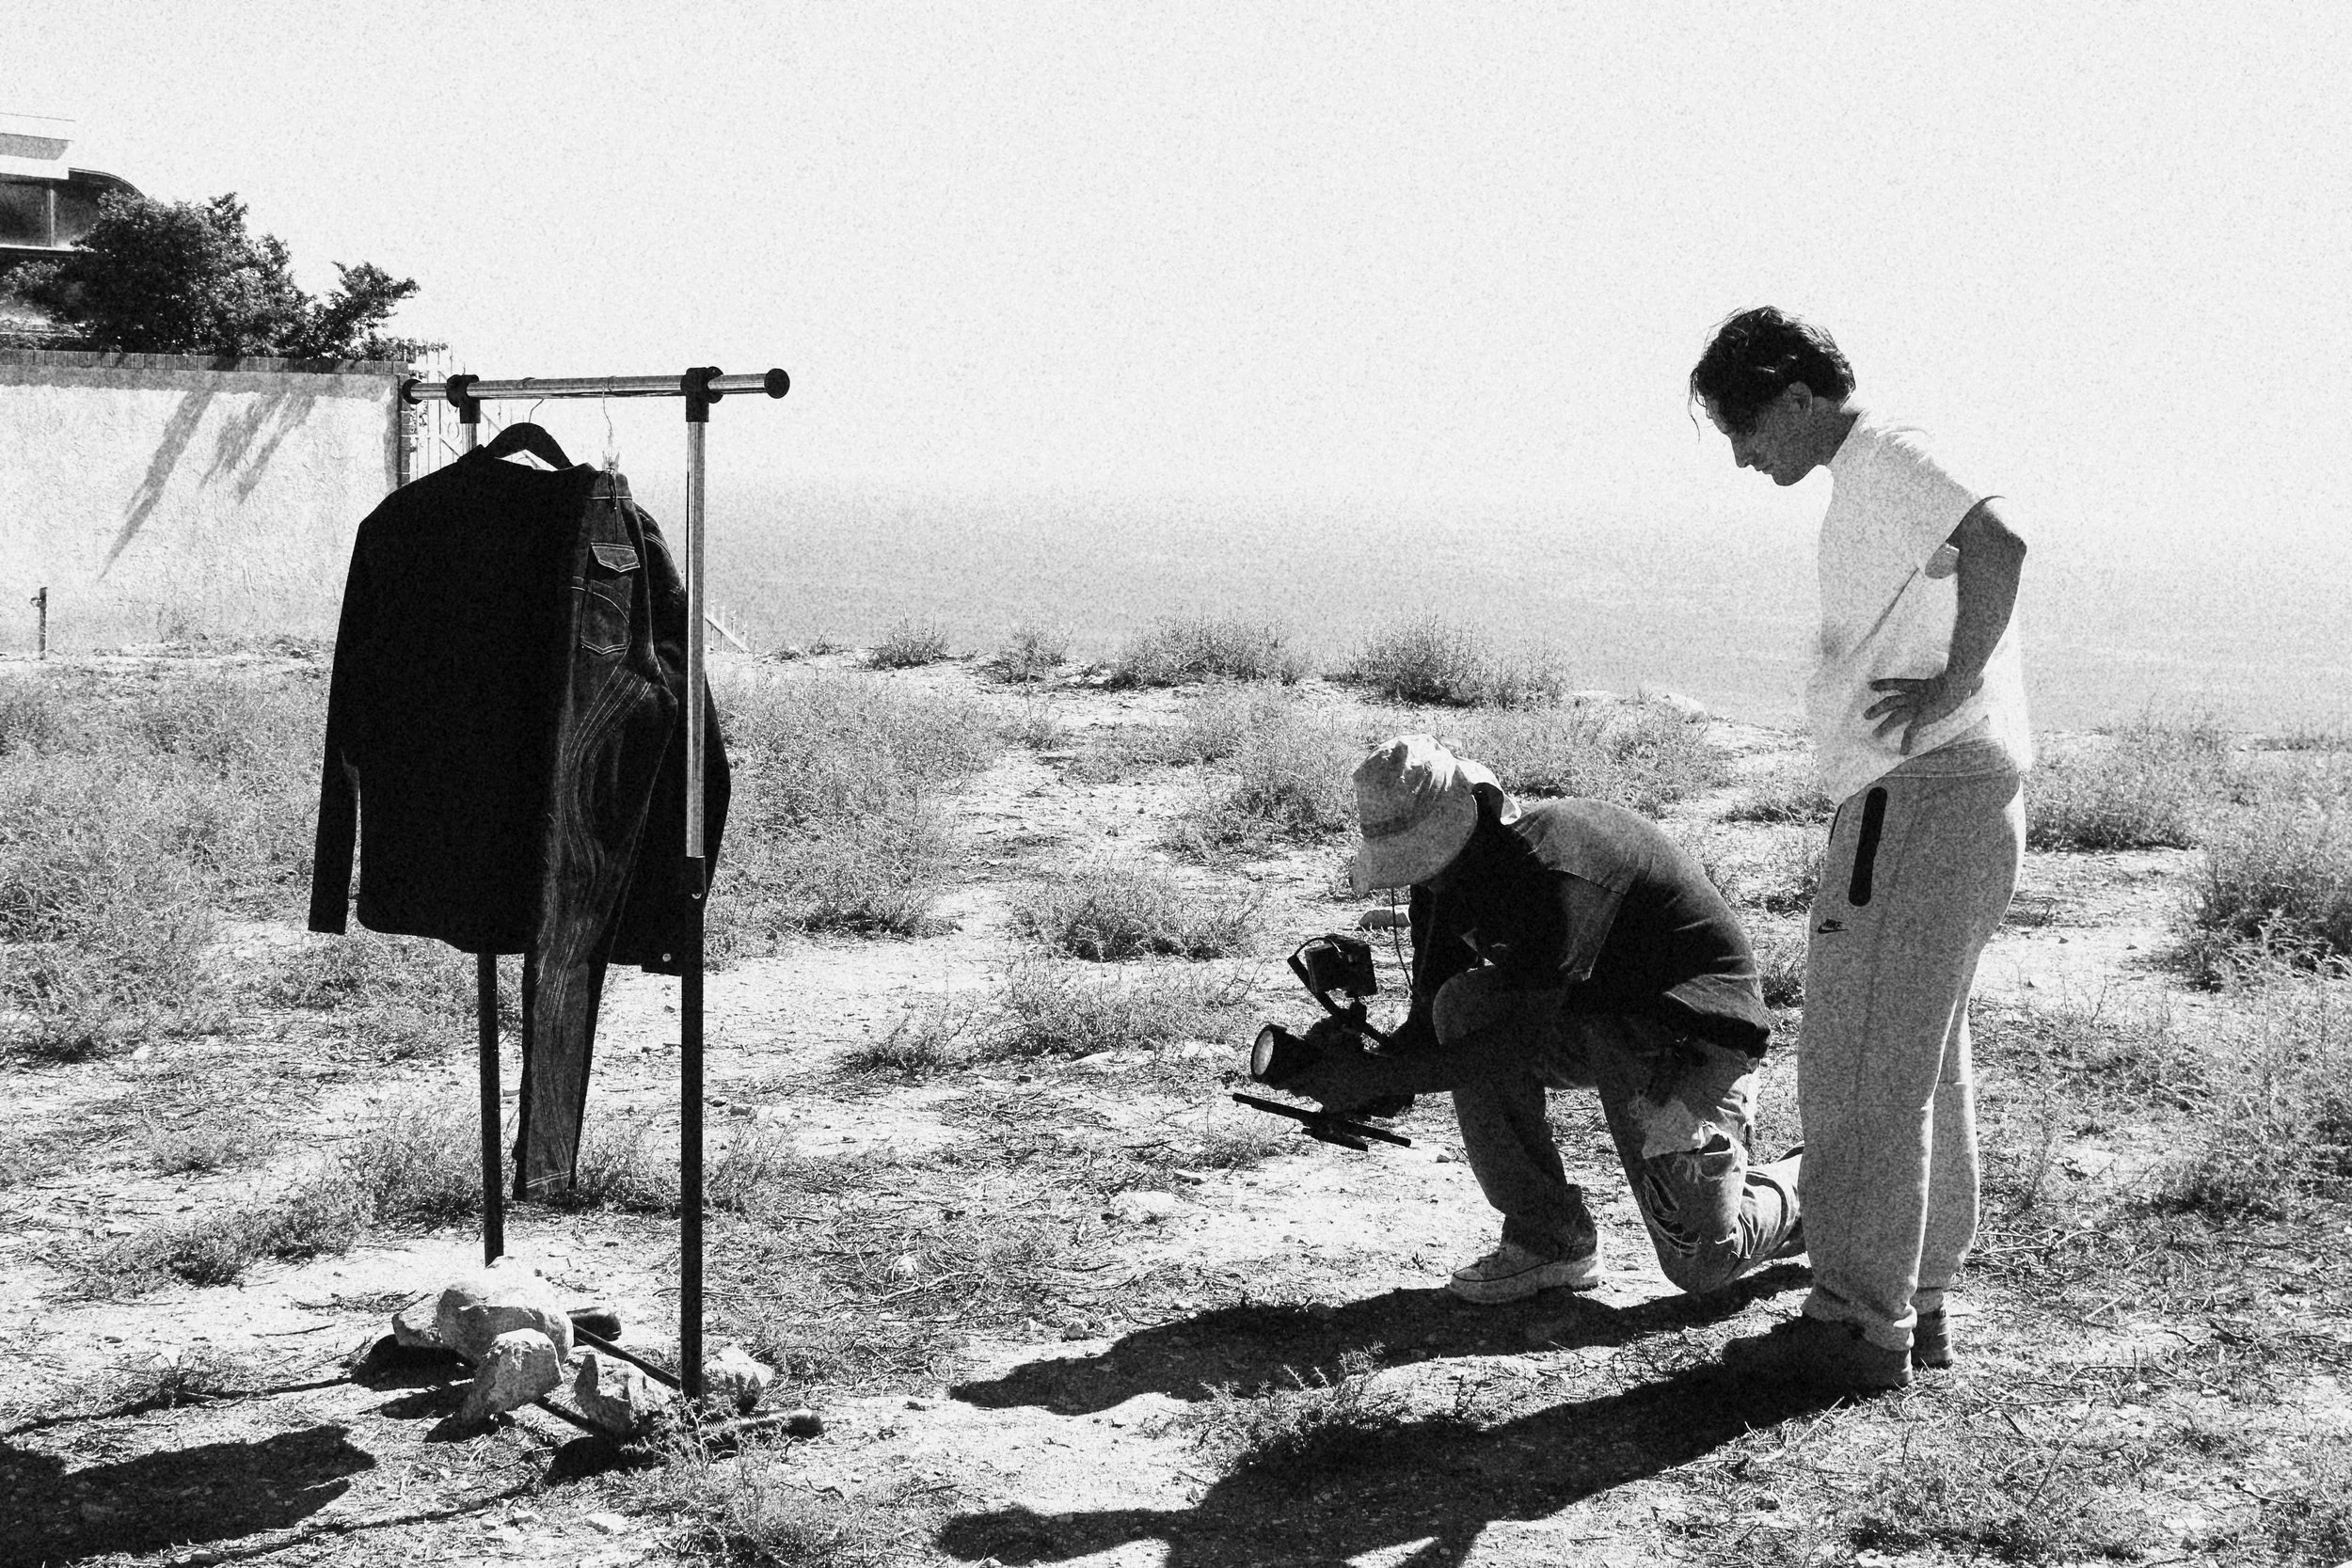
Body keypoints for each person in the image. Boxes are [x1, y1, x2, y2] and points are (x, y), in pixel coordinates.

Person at [1689, 307, 2030, 1392]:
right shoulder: (1875, 470)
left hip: (1918, 797)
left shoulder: (1885, 454)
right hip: (1956, 797)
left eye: (1747, 428)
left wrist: (1955, 679)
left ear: (1796, 393)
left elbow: (2001, 538)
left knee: (1856, 1064)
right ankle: (1914, 1305)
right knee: (1919, 1059)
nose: (1744, 456)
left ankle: (1853, 1319)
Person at [1275, 734, 1804, 1306]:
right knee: (1464, 1007)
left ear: (1474, 815)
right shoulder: (1446, 878)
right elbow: (1434, 1030)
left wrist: (1377, 1079)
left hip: (1688, 1033)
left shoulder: (1561, 871)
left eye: (1427, 857)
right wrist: (1359, 1069)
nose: (1425, 879)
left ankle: (1816, 1183)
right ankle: (1550, 1236)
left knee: (1702, 1261)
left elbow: (1517, 1045)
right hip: (1598, 1023)